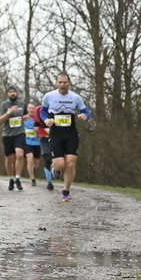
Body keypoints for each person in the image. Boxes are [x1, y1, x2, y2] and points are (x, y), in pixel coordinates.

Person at [39, 72, 92, 202]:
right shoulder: (49, 96)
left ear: (69, 83)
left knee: (71, 163)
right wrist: (46, 120)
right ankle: (54, 168)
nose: (62, 85)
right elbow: (42, 111)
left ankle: (66, 190)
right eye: (60, 82)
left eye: (65, 82)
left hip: (71, 133)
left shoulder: (75, 97)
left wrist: (84, 116)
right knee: (60, 165)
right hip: (56, 133)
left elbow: (86, 112)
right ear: (56, 83)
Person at [0, 85, 27, 191]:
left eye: (14, 92)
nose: (12, 93)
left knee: (19, 154)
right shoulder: (4, 105)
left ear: (17, 93)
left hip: (20, 133)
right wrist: (9, 112)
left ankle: (18, 178)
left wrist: (26, 117)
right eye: (10, 92)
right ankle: (11, 178)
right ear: (7, 94)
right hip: (7, 134)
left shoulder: (22, 104)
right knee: (9, 159)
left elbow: (25, 116)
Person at [33, 103, 55, 189]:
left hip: (54, 140)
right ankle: (49, 181)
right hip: (43, 140)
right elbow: (35, 122)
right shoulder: (39, 113)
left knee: (55, 160)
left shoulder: (53, 113)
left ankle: (54, 172)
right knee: (48, 159)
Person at [23, 102, 40, 186]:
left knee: (36, 163)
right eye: (30, 108)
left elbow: (45, 127)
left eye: (33, 108)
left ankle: (34, 173)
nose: (32, 110)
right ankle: (32, 179)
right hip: (27, 142)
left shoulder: (38, 119)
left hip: (37, 143)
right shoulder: (24, 119)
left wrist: (39, 128)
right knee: (29, 159)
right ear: (27, 109)